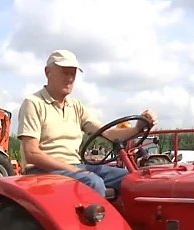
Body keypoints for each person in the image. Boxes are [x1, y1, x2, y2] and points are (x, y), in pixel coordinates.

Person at [17, 49, 158, 197]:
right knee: (93, 181)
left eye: (73, 73)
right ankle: (99, 219)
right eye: (65, 72)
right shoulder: (33, 103)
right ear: (48, 72)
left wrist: (139, 127)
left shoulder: (75, 106)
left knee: (130, 178)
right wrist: (75, 170)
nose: (70, 78)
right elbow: (32, 153)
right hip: (41, 171)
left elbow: (108, 133)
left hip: (74, 166)